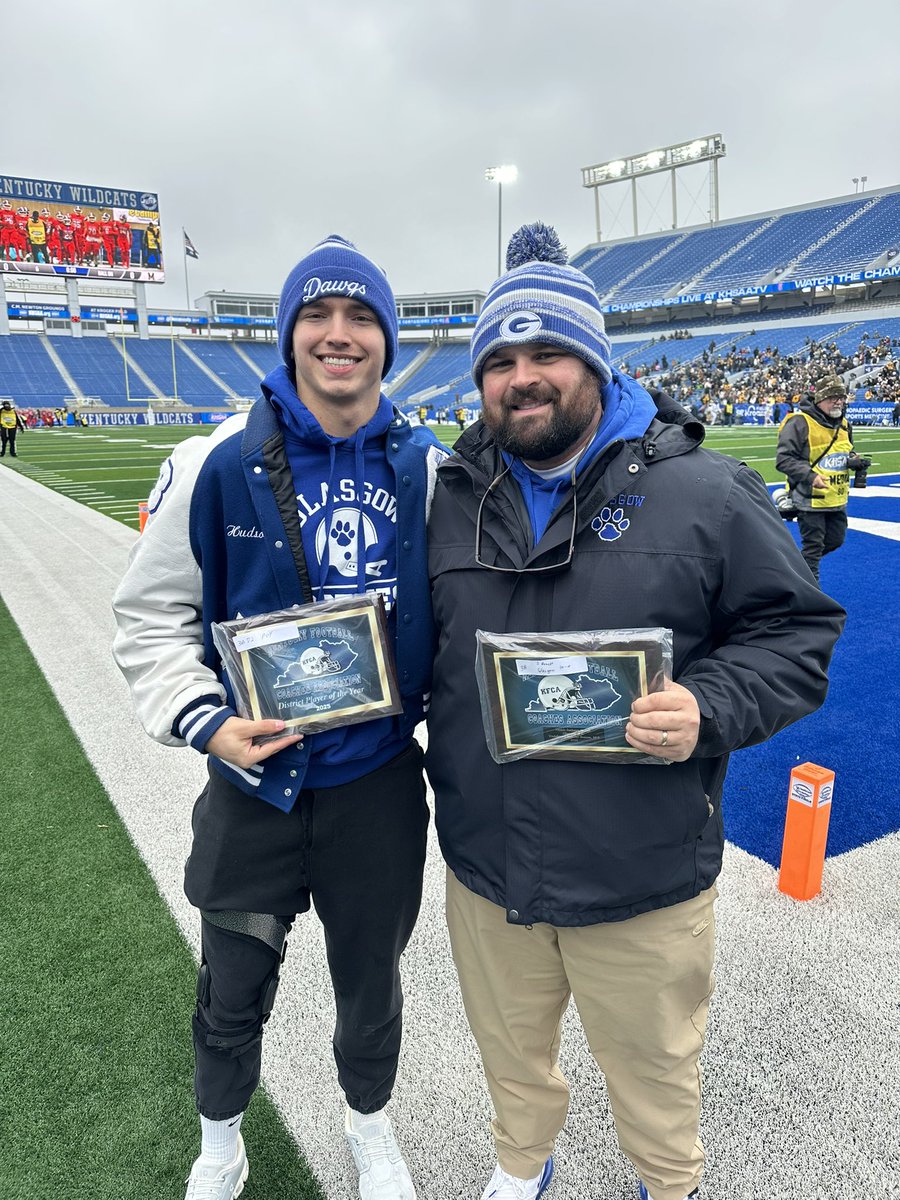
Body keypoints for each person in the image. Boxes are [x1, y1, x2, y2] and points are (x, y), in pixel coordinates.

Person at [425, 223, 845, 1200]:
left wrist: (707, 705)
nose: (522, 378)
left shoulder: (705, 491)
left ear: (597, 360)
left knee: (655, 1072)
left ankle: (669, 1181)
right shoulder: (447, 496)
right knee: (511, 1059)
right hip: (491, 871)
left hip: (642, 873)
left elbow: (798, 636)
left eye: (548, 354)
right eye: (501, 360)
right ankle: (523, 1163)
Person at [113, 234, 447, 1200]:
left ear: (388, 340)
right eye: (317, 316)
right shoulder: (212, 458)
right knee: (231, 986)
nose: (338, 336)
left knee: (371, 988)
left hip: (377, 787)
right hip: (254, 784)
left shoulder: (428, 468)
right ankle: (221, 1141)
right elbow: (149, 614)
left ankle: (369, 1126)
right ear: (288, 333)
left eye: (360, 319)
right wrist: (206, 720)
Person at [775, 374, 870, 585]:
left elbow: (845, 451)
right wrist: (810, 476)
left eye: (841, 397)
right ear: (819, 398)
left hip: (835, 498)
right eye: (832, 397)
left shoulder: (844, 424)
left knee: (836, 540)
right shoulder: (799, 422)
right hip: (809, 498)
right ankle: (811, 597)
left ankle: (793, 569)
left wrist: (854, 461)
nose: (838, 401)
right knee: (813, 548)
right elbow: (783, 460)